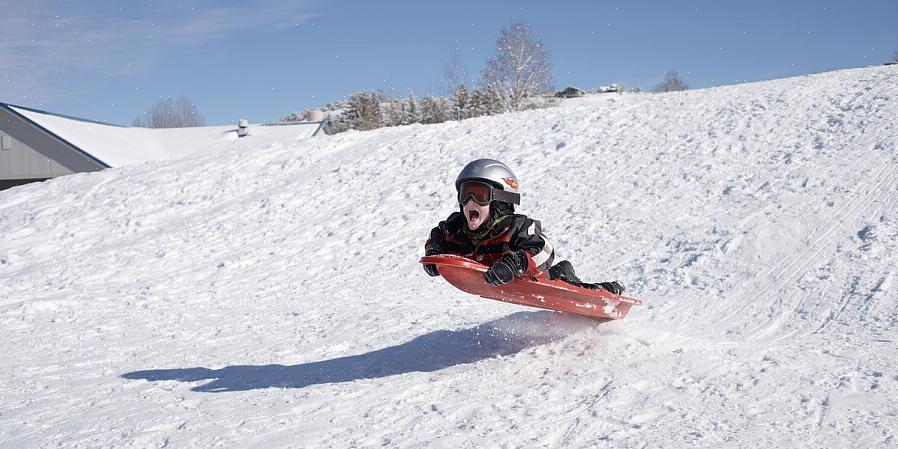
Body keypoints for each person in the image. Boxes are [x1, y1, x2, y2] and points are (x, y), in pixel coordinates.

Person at [423, 158, 625, 294]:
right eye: (465, 194)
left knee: (566, 285)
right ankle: (563, 272)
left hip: (534, 277)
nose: (470, 202)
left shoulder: (516, 227)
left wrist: (515, 263)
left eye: (480, 195)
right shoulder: (456, 228)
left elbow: (544, 249)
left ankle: (605, 289)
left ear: (500, 200)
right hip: (494, 274)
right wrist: (434, 253)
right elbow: (437, 236)